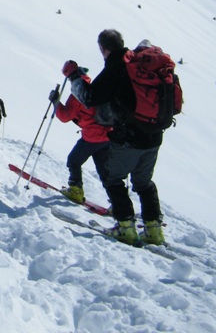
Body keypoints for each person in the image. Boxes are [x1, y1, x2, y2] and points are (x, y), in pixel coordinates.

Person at [65, 29, 165, 245]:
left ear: (103, 48)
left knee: (113, 178)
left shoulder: (117, 67)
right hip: (155, 134)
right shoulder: (137, 63)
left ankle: (125, 227)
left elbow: (90, 97)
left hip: (130, 135)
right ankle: (153, 230)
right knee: (143, 182)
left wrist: (74, 77)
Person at [49, 73, 110, 206]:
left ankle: (76, 191)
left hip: (91, 136)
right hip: (107, 136)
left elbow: (65, 116)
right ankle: (118, 204)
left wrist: (56, 103)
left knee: (73, 160)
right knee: (105, 171)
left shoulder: (78, 93)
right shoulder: (94, 88)